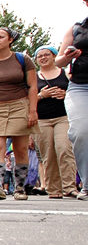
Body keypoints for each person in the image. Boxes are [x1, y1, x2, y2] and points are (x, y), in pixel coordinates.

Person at [0, 27, 40, 201]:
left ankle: (20, 187)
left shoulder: (23, 60)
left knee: (20, 149)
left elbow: (33, 86)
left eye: (0, 37)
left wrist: (32, 110)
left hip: (19, 105)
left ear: (10, 39)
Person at [55, 0, 88, 201]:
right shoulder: (77, 28)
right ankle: (87, 183)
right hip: (80, 85)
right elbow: (58, 61)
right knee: (81, 132)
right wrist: (68, 55)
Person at [33, 46, 77, 198]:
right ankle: (53, 189)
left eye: (46, 55)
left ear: (54, 57)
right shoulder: (33, 77)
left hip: (63, 117)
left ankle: (69, 187)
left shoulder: (65, 74)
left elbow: (77, 92)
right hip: (41, 120)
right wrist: (41, 95)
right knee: (48, 154)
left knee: (64, 149)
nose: (43, 58)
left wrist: (66, 94)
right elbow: (27, 100)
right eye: (40, 56)